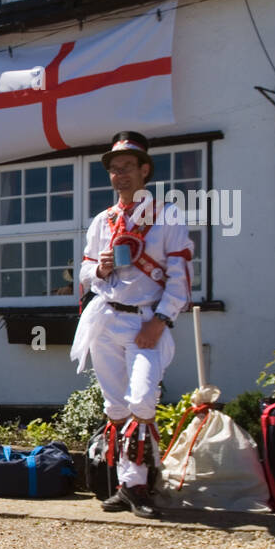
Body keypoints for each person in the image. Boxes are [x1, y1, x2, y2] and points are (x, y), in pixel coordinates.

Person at [71, 131, 192, 519]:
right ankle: (129, 485)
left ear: (144, 170)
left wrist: (161, 320)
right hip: (107, 317)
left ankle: (139, 481)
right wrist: (99, 269)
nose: (119, 174)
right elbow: (85, 270)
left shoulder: (167, 216)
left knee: (142, 399)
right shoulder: (102, 221)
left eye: (127, 167)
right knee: (116, 405)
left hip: (146, 322)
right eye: (114, 168)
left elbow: (180, 276)